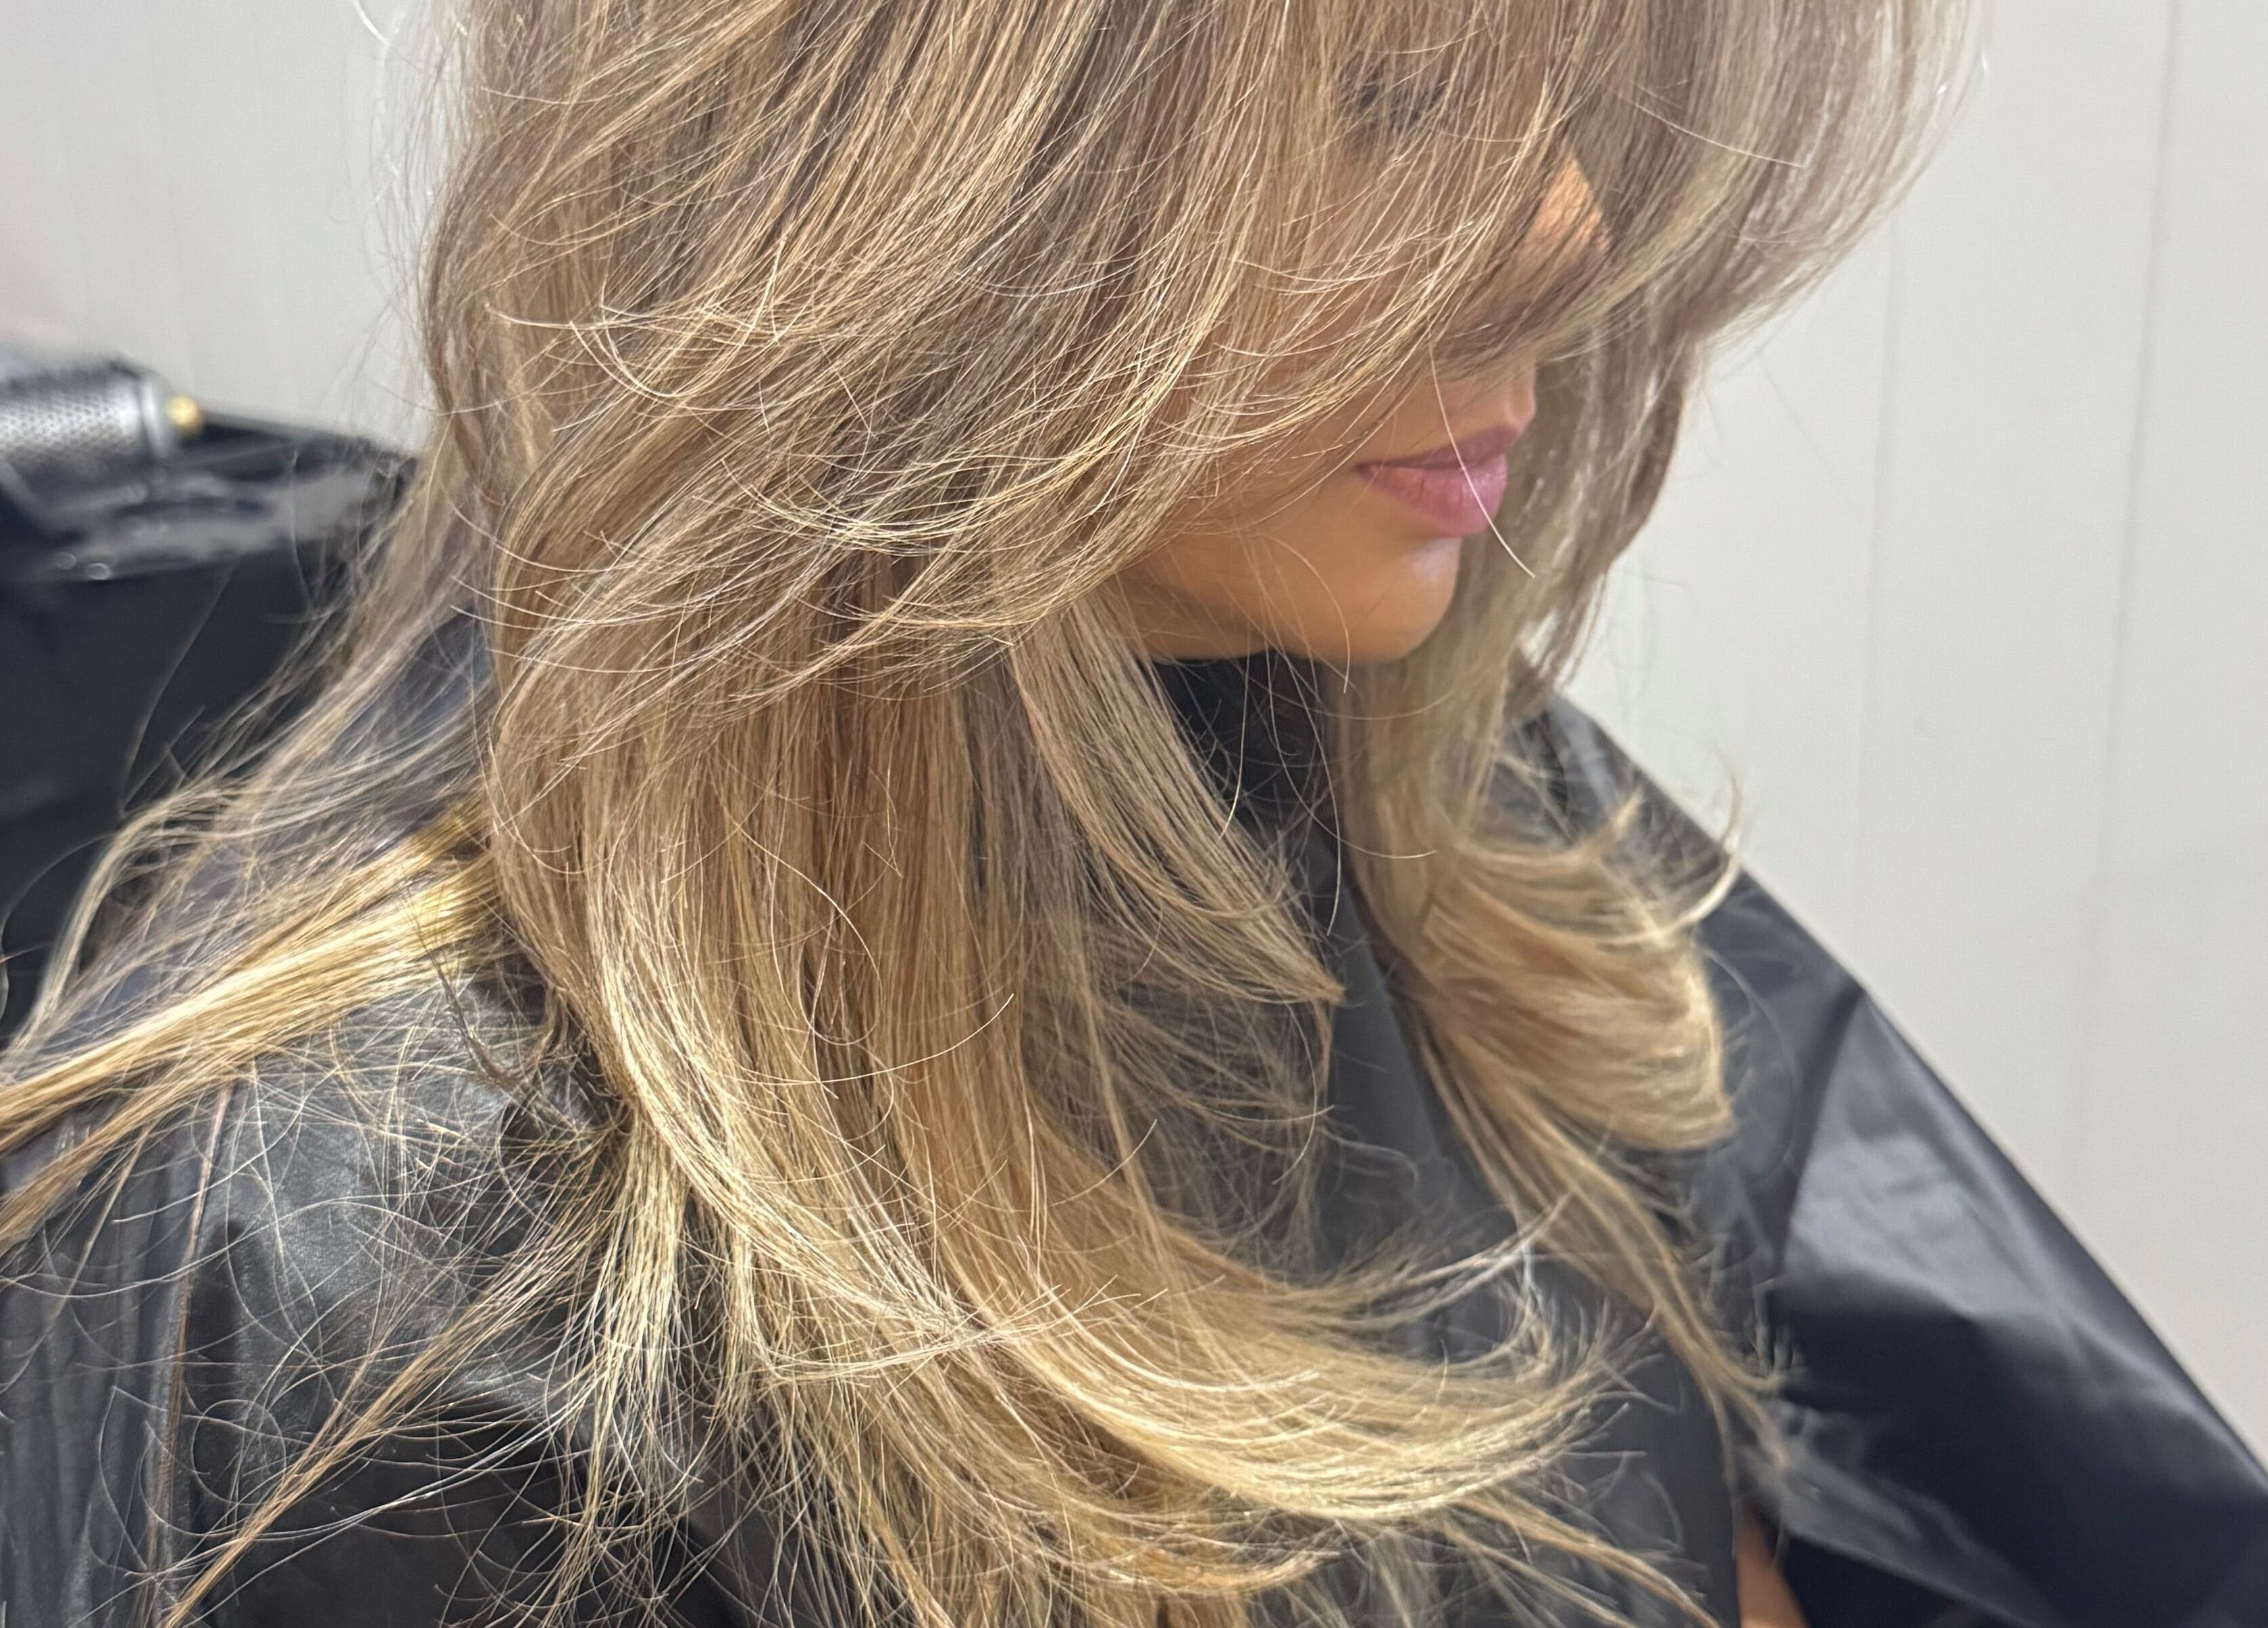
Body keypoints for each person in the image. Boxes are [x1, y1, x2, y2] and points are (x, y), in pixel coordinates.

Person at [5, 1, 2265, 1625]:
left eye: (1573, 74)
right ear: (856, 159)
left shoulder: (1446, 796)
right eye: (1394, 93)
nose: (1572, 223)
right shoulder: (369, 1300)